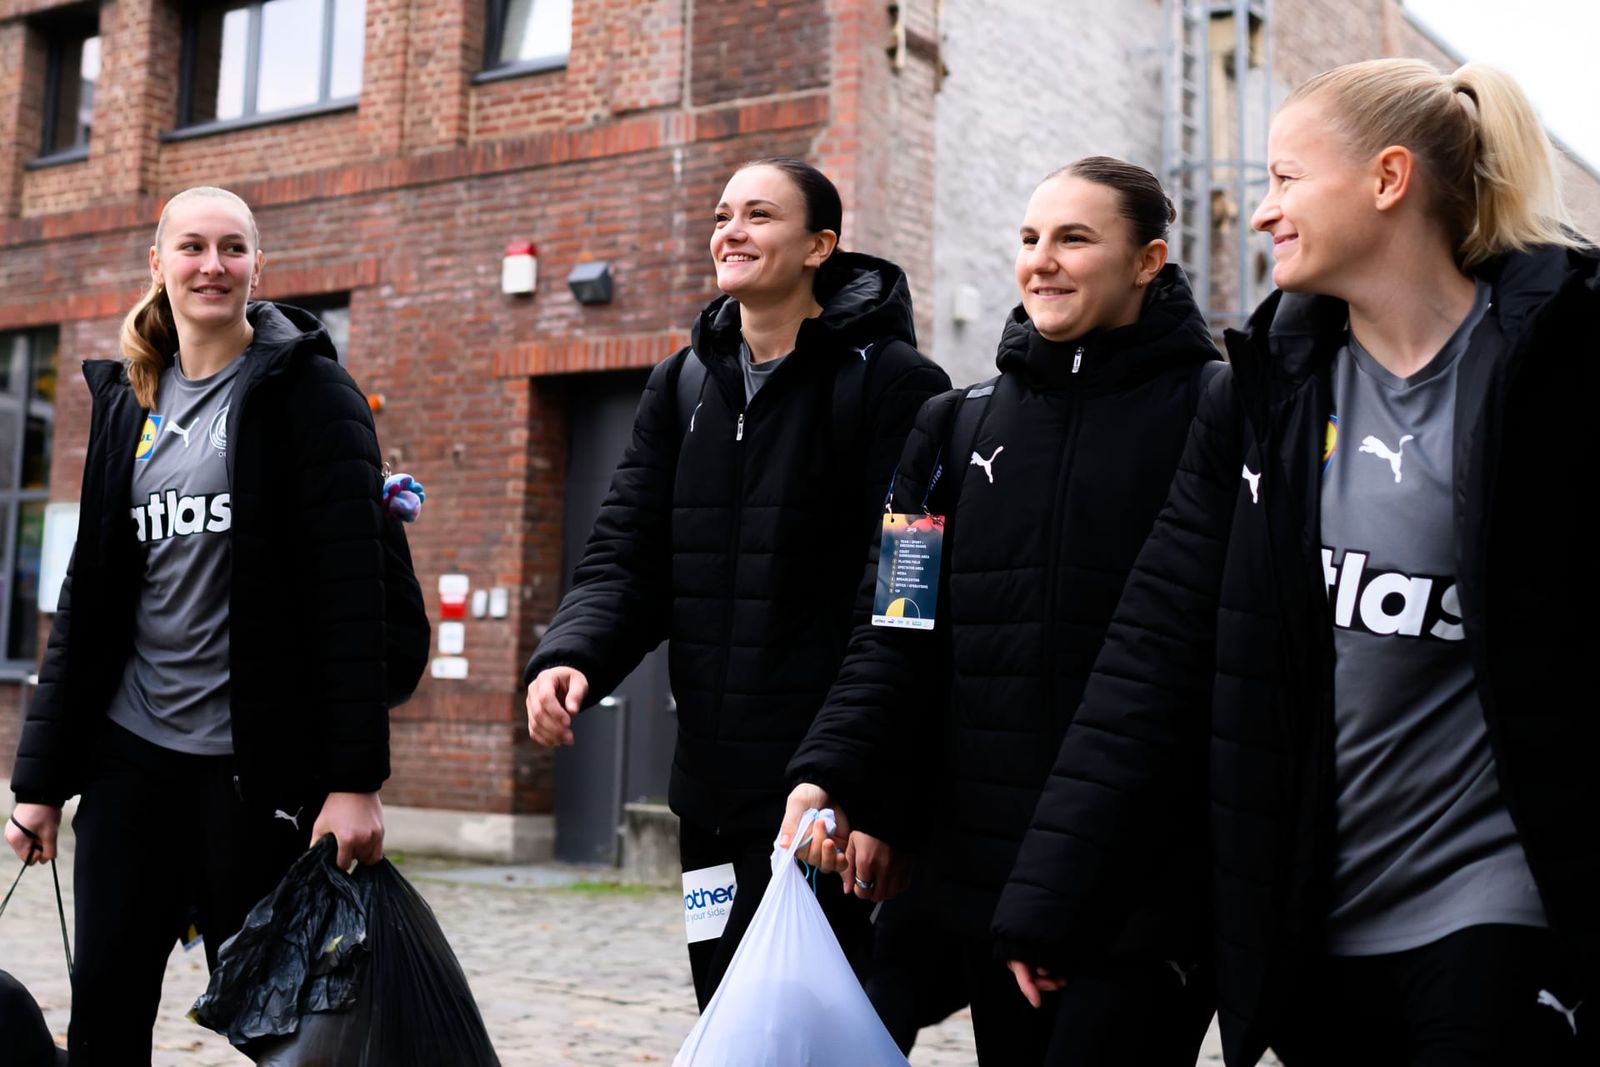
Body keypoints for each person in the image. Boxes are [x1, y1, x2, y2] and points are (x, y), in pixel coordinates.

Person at [990, 59, 1598, 1067]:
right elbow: (1156, 648)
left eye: (1285, 178)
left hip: (1498, 903)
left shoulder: (1559, 369)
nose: (1264, 209)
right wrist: (1057, 890)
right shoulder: (1263, 394)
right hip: (1313, 919)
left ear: (1388, 179)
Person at [783, 157, 1221, 1064]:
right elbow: (895, 627)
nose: (1041, 260)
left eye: (1074, 238)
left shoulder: (1219, 411)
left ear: (1148, 261)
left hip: (1149, 883)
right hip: (989, 875)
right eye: (1029, 238)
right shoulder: (953, 427)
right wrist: (841, 775)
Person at [4, 185, 421, 1065]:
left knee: (285, 1032)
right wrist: (40, 782)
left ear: (257, 267)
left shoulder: (311, 394)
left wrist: (355, 781)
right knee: (105, 1015)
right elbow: (88, 600)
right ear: (157, 263)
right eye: (191, 247)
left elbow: (351, 601)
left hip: (257, 773)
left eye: (233, 248)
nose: (212, 266)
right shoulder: (127, 399)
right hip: (130, 762)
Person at [523, 158, 949, 1008]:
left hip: (822, 804)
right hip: (708, 799)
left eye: (759, 214)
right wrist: (573, 654)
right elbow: (627, 551)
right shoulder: (683, 382)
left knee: (804, 1034)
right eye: (723, 216)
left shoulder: (898, 384)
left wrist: (871, 796)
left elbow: (908, 604)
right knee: (721, 1007)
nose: (732, 231)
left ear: (820, 246)